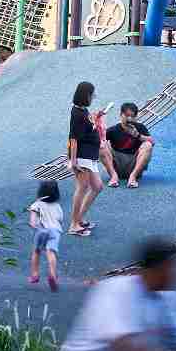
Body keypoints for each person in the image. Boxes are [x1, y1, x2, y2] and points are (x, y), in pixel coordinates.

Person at [65, 81, 108, 235]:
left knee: (97, 187)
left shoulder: (83, 111)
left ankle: (79, 219)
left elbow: (89, 127)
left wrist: (97, 116)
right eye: (92, 94)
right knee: (82, 188)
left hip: (89, 155)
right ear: (86, 95)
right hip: (82, 156)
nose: (93, 97)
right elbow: (73, 138)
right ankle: (73, 225)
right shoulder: (77, 113)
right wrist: (73, 161)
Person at [106, 102, 154, 188]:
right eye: (127, 115)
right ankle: (113, 176)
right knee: (102, 144)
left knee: (148, 145)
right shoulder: (113, 130)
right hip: (118, 165)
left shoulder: (140, 127)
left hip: (134, 165)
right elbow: (96, 142)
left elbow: (152, 142)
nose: (129, 119)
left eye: (132, 116)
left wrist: (138, 136)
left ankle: (133, 177)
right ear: (121, 115)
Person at [26, 180, 64, 291]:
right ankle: (52, 273)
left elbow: (33, 221)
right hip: (55, 231)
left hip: (42, 230)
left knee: (36, 251)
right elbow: (60, 219)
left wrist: (34, 224)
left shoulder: (36, 204)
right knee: (51, 252)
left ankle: (35, 274)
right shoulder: (57, 206)